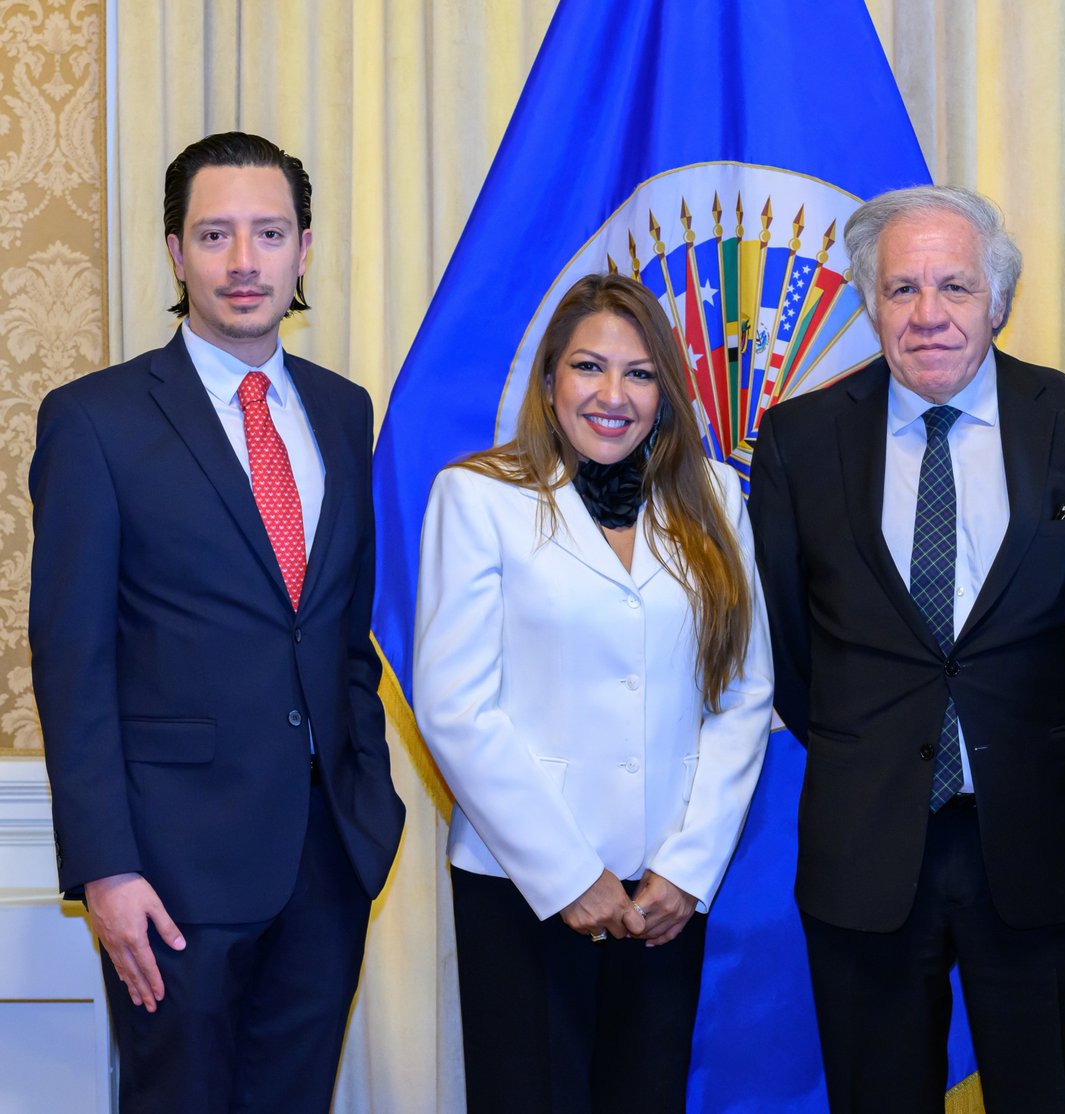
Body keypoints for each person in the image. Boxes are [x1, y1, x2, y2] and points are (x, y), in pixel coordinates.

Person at [748, 185, 1065, 1114]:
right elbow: (790, 649)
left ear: (998, 300)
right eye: (902, 290)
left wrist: (1053, 759)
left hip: (1047, 851)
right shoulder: (797, 441)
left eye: (955, 286)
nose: (929, 315)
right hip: (867, 856)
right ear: (870, 303)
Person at [28, 131, 406, 1114]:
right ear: (174, 250)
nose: (244, 261)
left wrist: (368, 802)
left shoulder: (342, 412)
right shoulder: (96, 420)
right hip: (168, 875)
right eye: (216, 234)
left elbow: (342, 633)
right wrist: (105, 868)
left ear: (304, 249)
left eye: (269, 233)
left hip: (327, 861)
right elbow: (73, 659)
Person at [413, 272, 773, 1113]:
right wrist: (569, 874)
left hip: (664, 899)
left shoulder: (716, 496)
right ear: (548, 383)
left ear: (666, 395)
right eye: (588, 368)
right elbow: (456, 706)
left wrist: (687, 870)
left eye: (640, 374)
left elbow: (746, 691)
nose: (614, 395)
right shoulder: (476, 497)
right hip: (524, 886)